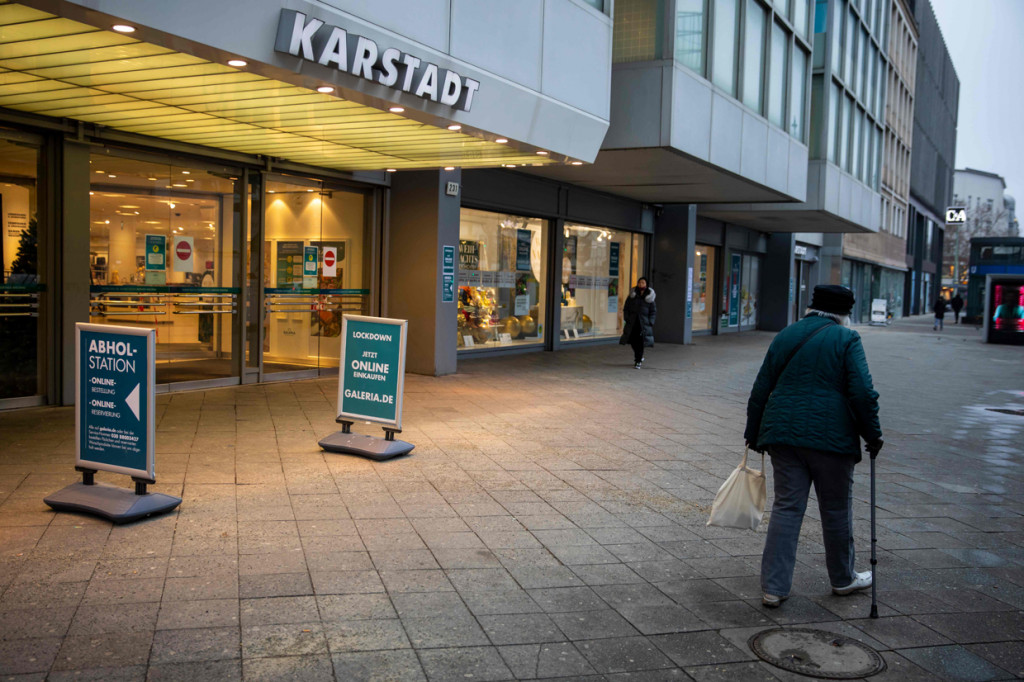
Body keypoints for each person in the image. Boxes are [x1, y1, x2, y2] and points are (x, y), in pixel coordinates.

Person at [744, 284, 883, 608]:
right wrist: (872, 435)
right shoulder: (847, 339)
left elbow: (761, 387)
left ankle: (774, 588)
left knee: (787, 508)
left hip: (784, 434)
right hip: (831, 438)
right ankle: (843, 578)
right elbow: (862, 393)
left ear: (812, 307)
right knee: (835, 509)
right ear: (844, 313)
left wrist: (753, 432)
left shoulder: (786, 335)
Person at [619, 277, 656, 369]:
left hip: (643, 323)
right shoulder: (632, 295)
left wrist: (651, 321)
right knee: (632, 340)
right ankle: (639, 355)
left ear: (646, 284)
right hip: (632, 322)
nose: (641, 284)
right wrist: (626, 318)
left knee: (640, 341)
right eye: (639, 282)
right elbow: (626, 308)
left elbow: (653, 311)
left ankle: (638, 360)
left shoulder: (649, 297)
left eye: (643, 282)